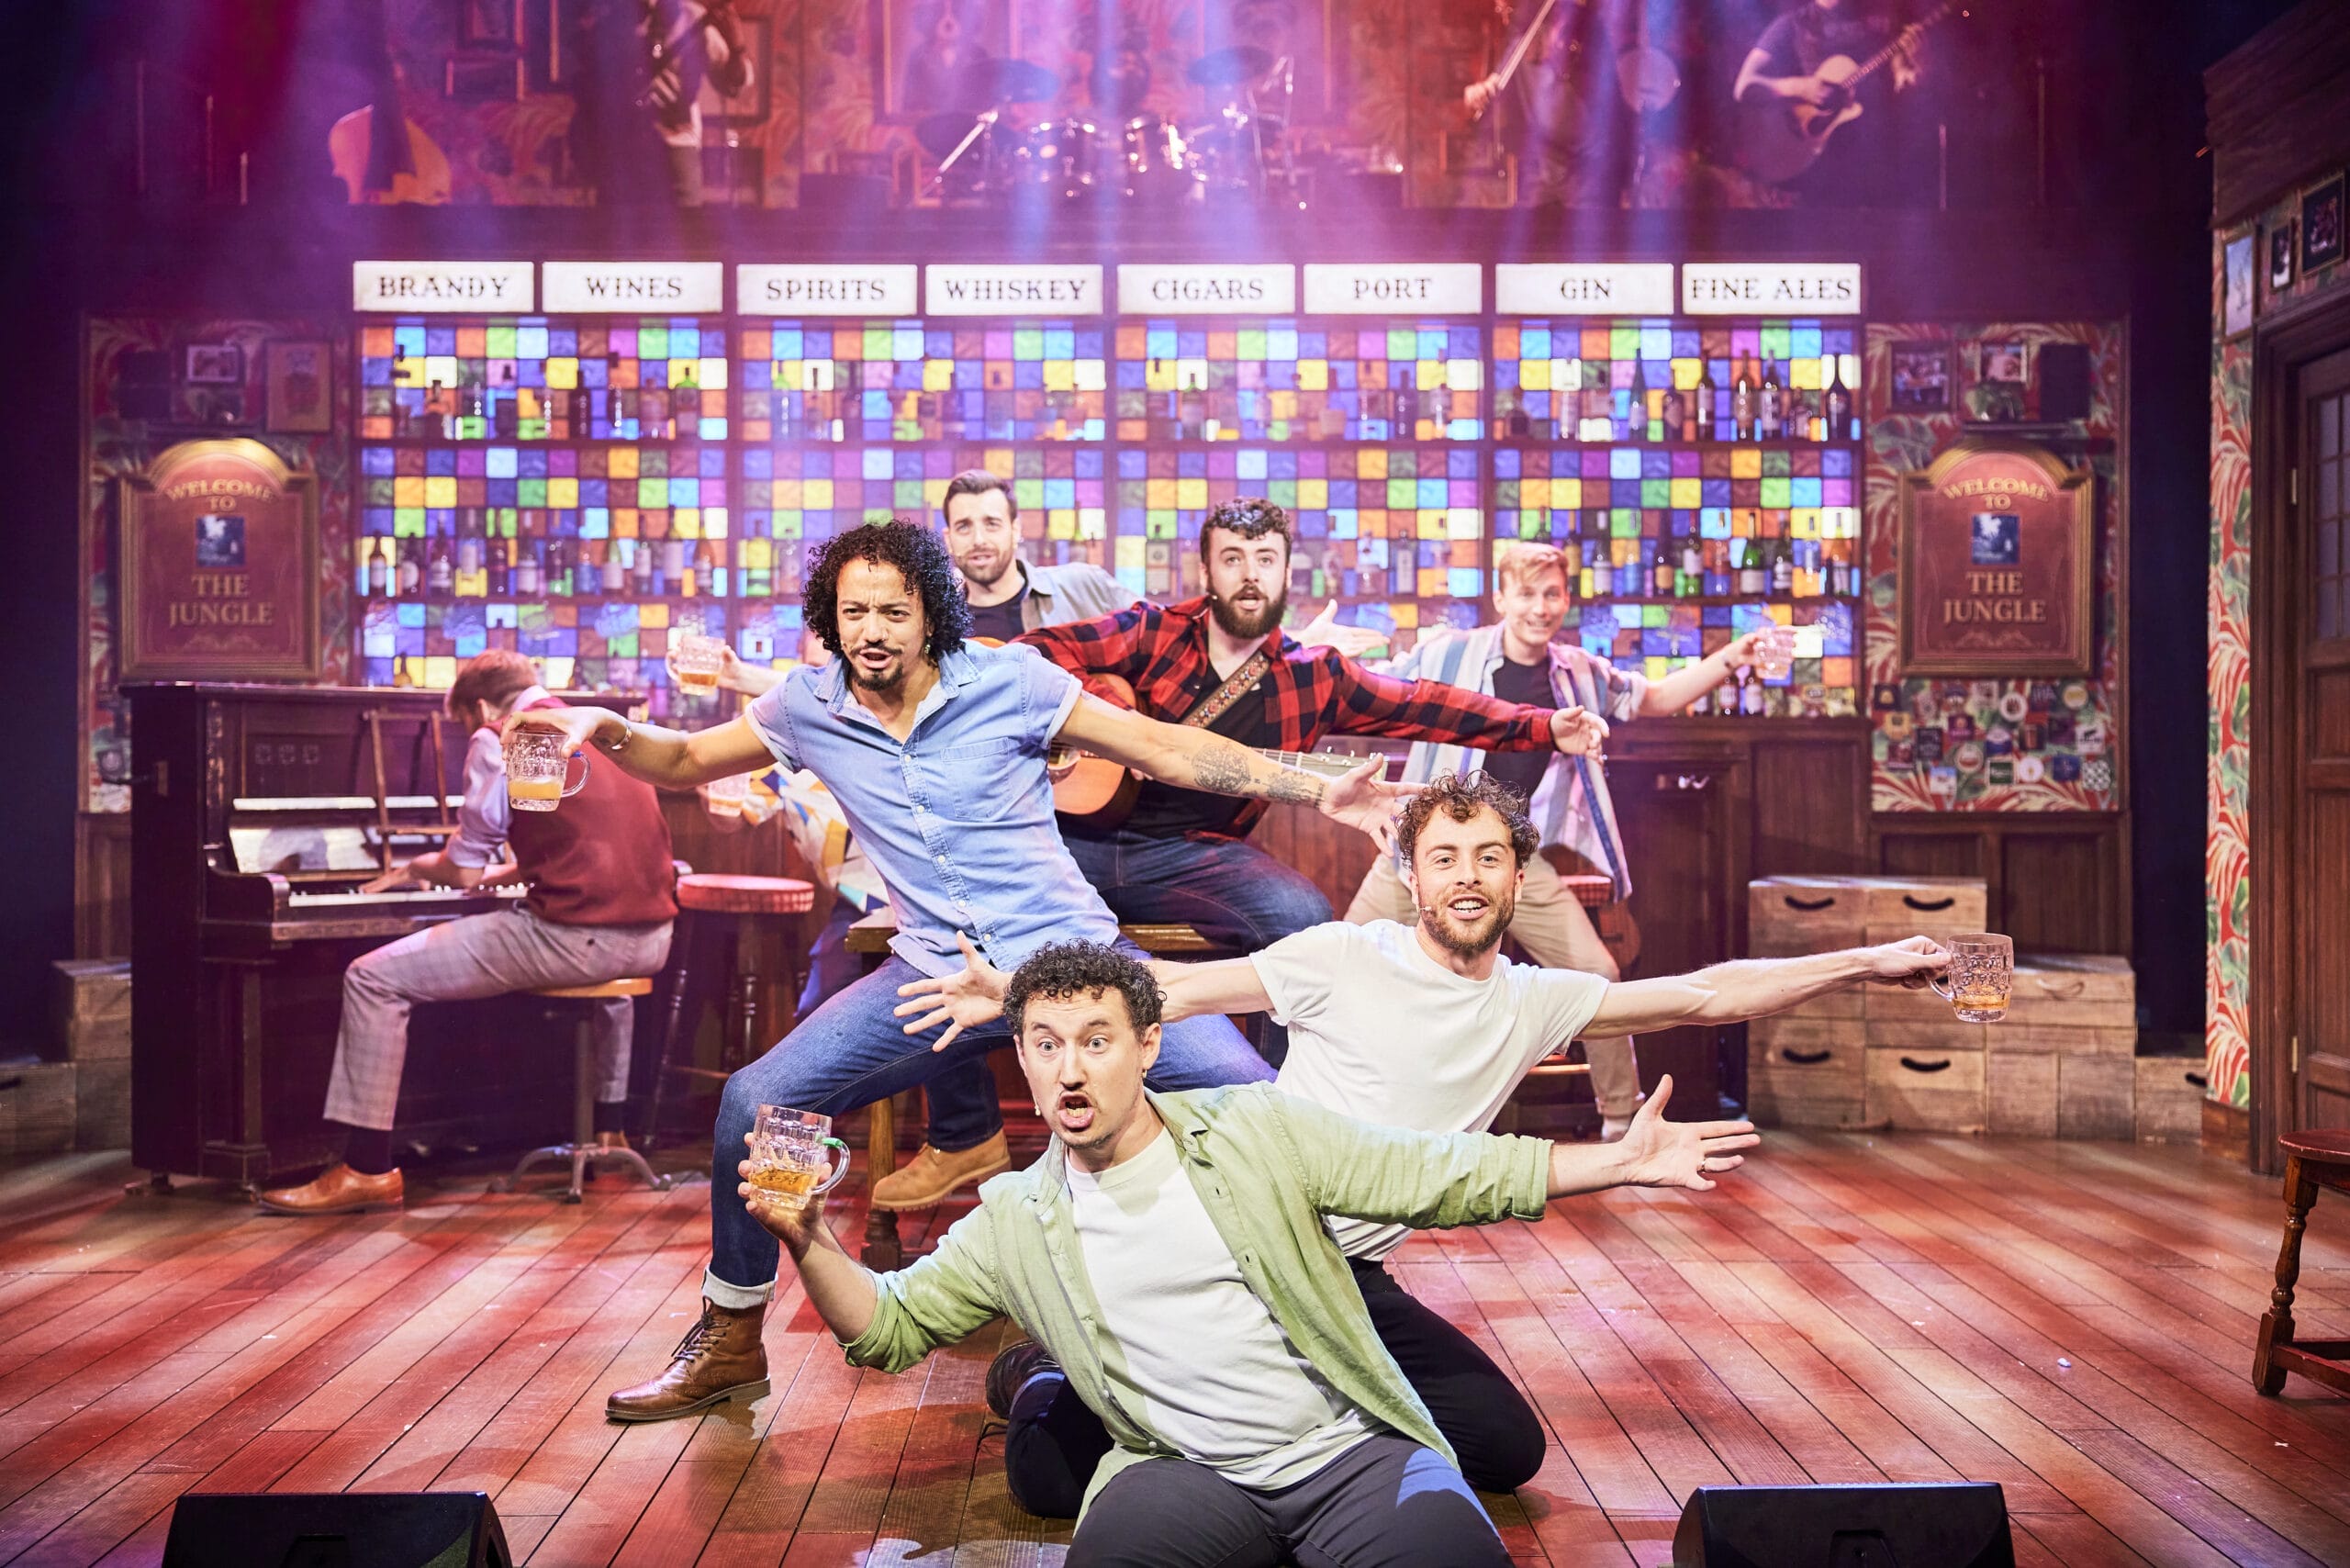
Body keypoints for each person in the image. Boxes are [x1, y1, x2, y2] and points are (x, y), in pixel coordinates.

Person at [504, 519, 1412, 1422]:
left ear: (929, 614)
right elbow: (683, 759)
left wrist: (1317, 787)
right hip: (936, 979)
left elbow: (1167, 748)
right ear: (831, 615)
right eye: (854, 612)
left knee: (1250, 1101)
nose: (871, 631)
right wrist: (603, 726)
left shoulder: (1011, 681)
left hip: (1074, 966)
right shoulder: (808, 705)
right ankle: (733, 1337)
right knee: (756, 1102)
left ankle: (1342, 1311)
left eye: (892, 612)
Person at [897, 773, 1953, 1516]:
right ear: (1410, 872)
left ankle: (1288, 1405)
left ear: (1515, 879)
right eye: (1443, 857)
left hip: (1347, 1280)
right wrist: (1017, 990)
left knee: (1500, 1446)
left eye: (1488, 857)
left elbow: (1706, 991)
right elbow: (1164, 989)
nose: (1466, 876)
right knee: (1049, 1477)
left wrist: (1866, 961)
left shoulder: (1534, 999)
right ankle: (1053, 1367)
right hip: (1242, 1249)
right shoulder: (1339, 957)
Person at [745, 939, 1765, 1562]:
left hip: (1351, 1456)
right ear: (1021, 1056)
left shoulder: (1256, 1128)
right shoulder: (1014, 1217)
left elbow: (1445, 1172)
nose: (1069, 1070)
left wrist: (1617, 1161)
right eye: (1045, 1044)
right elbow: (886, 1329)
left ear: (1148, 1045)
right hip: (1178, 1472)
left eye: (1096, 1040)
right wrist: (808, 1236)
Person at [878, 498, 1608, 1214]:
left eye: (1265, 559)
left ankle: (1273, 1129)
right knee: (955, 915)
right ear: (1207, 571)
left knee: (1301, 913)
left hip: (1191, 856)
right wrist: (1103, 722)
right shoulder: (1151, 632)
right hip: (1073, 849)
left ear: (1288, 571)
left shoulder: (1314, 675)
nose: (1249, 574)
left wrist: (1543, 726)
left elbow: (1427, 703)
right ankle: (964, 1135)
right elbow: (1030, 657)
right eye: (1232, 559)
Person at [1347, 542, 1785, 1139]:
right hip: (1421, 856)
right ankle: (1322, 1107)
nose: (1540, 607)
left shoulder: (1576, 672)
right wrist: (1314, 653)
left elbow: (1654, 698)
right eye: (1526, 593)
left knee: (1594, 972)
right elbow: (1368, 689)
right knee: (1346, 960)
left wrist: (1732, 657)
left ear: (1566, 599)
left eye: (1552, 593)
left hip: (1506, 859)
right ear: (1501, 598)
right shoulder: (1448, 652)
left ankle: (1621, 1120)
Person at [259, 651, 677, 1215]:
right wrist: (506, 874)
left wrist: (414, 867)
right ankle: (609, 1130)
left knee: (371, 977)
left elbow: (462, 871)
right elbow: (580, 850)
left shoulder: (498, 736)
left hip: (576, 940)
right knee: (606, 980)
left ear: (479, 708)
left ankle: (366, 1168)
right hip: (651, 939)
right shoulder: (598, 729)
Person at [1732, 0, 1929, 203]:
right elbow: (1745, 85)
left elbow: (1902, 98)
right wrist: (1800, 87)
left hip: (1873, 165)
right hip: (1814, 171)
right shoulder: (1792, 25)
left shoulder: (1881, 26)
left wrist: (1914, 73)